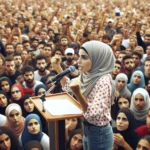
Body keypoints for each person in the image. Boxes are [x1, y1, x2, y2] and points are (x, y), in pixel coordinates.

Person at [51, 40, 115, 150]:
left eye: (84, 57)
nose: (78, 62)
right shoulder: (88, 75)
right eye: (79, 56)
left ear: (97, 59)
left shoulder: (103, 81)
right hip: (87, 129)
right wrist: (57, 67)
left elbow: (92, 113)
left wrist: (78, 94)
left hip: (99, 134)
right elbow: (68, 85)